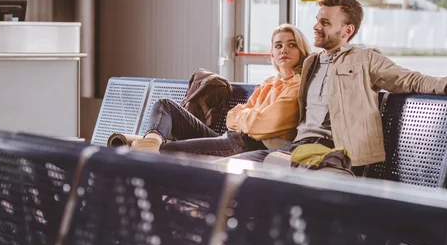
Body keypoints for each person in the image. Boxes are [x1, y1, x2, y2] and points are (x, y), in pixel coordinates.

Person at [232, 0, 447, 174]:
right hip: (297, 150)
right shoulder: (311, 62)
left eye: (325, 22)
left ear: (347, 30)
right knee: (223, 171)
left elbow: (409, 78)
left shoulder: (364, 58)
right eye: (316, 20)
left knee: (277, 176)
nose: (316, 26)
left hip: (336, 154)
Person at [129, 24, 312, 157]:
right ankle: (151, 141)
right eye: (278, 46)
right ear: (272, 53)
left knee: (163, 152)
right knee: (165, 105)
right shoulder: (268, 84)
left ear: (301, 50)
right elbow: (231, 118)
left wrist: (245, 118)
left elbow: (260, 124)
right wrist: (246, 118)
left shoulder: (297, 86)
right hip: (229, 138)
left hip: (245, 146)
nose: (284, 50)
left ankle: (147, 149)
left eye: (291, 44)